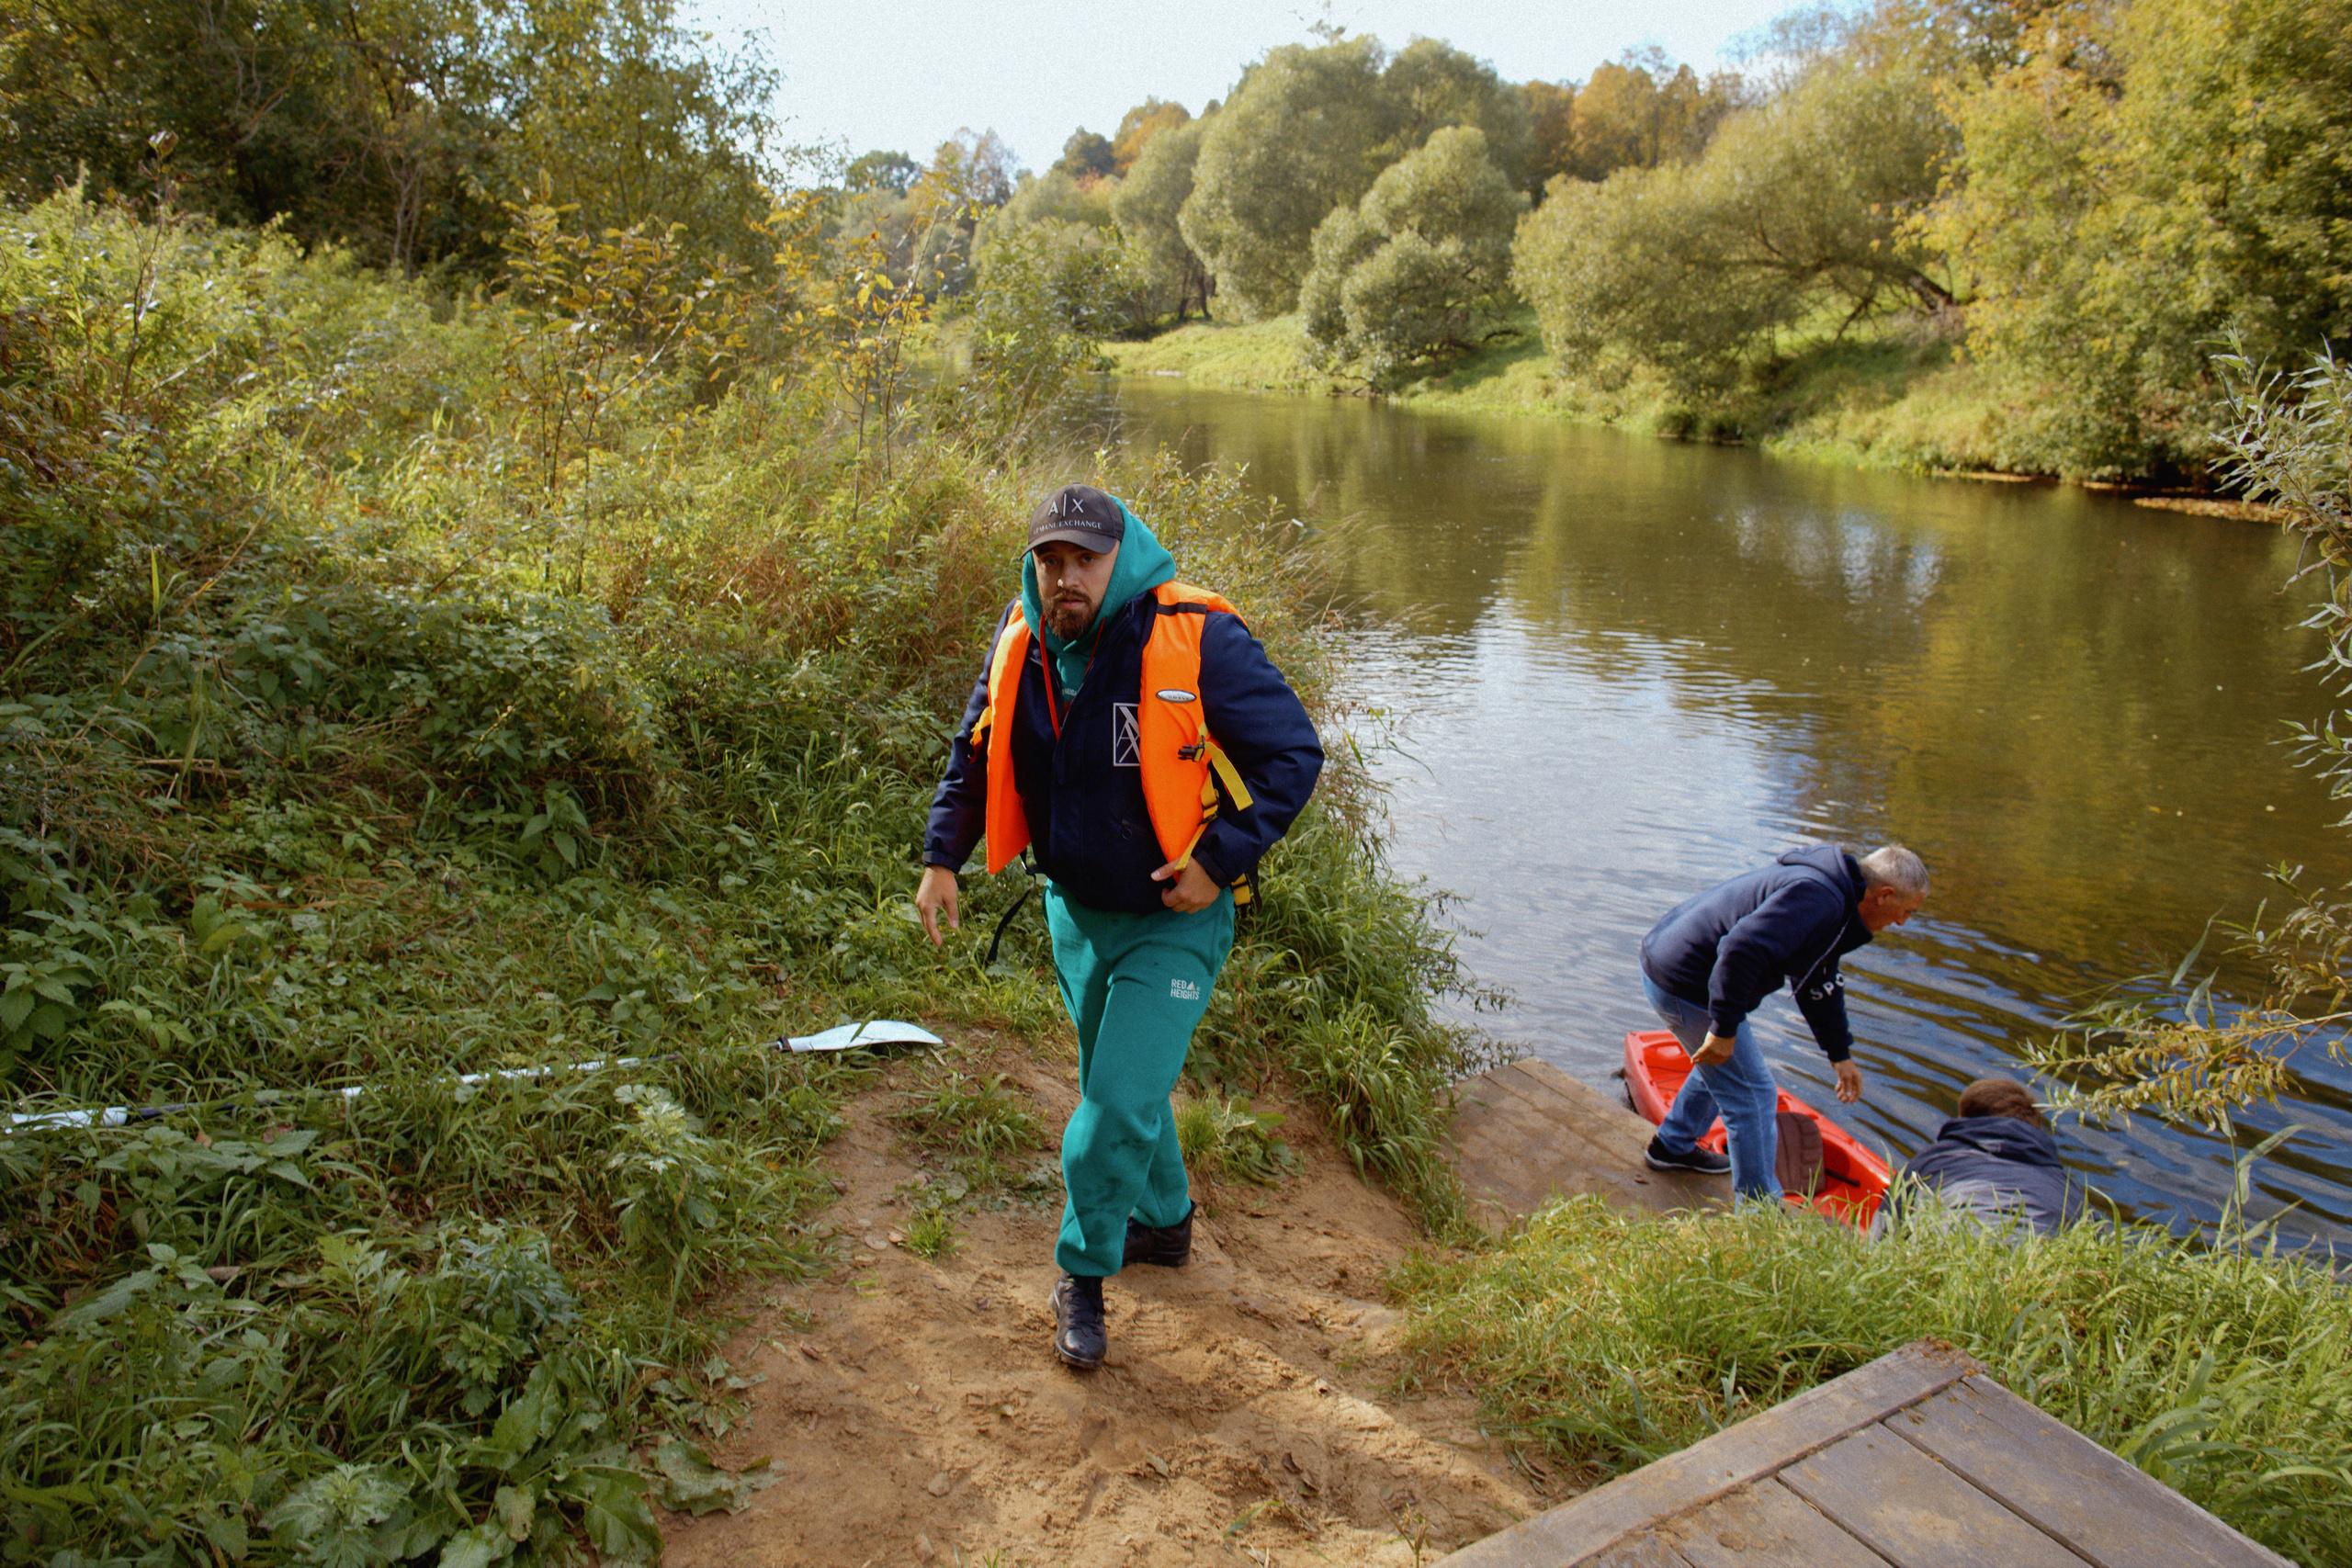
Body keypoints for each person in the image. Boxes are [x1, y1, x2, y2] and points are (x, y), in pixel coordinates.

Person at [915, 482, 1322, 1371]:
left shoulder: (1197, 639)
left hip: (1173, 921)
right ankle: (1166, 1224)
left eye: (1084, 561)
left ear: (1121, 556)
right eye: (1050, 561)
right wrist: (942, 855)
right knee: (1122, 1081)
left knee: (1109, 1110)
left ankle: (1082, 1274)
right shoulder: (1019, 640)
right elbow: (975, 746)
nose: (1066, 579)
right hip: (1073, 912)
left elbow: (1295, 753)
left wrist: (1221, 859)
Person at [1638, 844, 1930, 1201]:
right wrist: (1724, 1027)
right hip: (1685, 982)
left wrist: (1840, 1054)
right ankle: (1760, 1214)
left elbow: (1815, 979)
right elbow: (1739, 950)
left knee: (1728, 1068)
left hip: (1673, 965)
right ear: (1885, 895)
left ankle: (1673, 1146)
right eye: (1907, 911)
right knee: (1754, 1095)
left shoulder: (1836, 899)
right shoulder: (1819, 897)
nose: (1902, 922)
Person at [1883, 1077, 2087, 1237]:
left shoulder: (1932, 1162)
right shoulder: (2071, 1192)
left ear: (1963, 1119)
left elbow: (1882, 1231)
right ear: (2035, 1128)